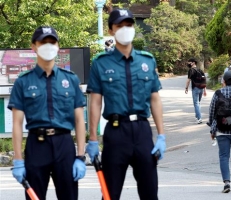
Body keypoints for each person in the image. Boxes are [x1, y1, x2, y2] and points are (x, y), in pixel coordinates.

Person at [86, 9, 166, 200]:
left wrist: (161, 135)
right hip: (116, 133)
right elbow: (95, 102)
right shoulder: (101, 63)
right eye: (119, 25)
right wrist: (93, 138)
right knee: (109, 194)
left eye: (128, 25)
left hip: (142, 132)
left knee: (150, 192)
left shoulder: (147, 60)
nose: (125, 29)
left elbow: (155, 99)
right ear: (111, 30)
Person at [8, 26, 87, 200]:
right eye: (43, 42)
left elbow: (80, 120)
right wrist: (18, 160)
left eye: (52, 42)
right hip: (37, 145)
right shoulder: (23, 82)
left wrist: (81, 156)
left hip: (64, 144)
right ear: (34, 47)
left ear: (58, 46)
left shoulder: (70, 79)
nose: (48, 46)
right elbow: (16, 124)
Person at [185, 58, 207, 124]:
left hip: (195, 88)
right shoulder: (200, 70)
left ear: (193, 63)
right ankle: (197, 116)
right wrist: (205, 90)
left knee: (196, 103)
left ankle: (199, 118)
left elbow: (188, 80)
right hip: (201, 88)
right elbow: (204, 80)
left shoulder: (191, 70)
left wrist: (186, 88)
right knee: (198, 103)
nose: (188, 63)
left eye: (189, 62)